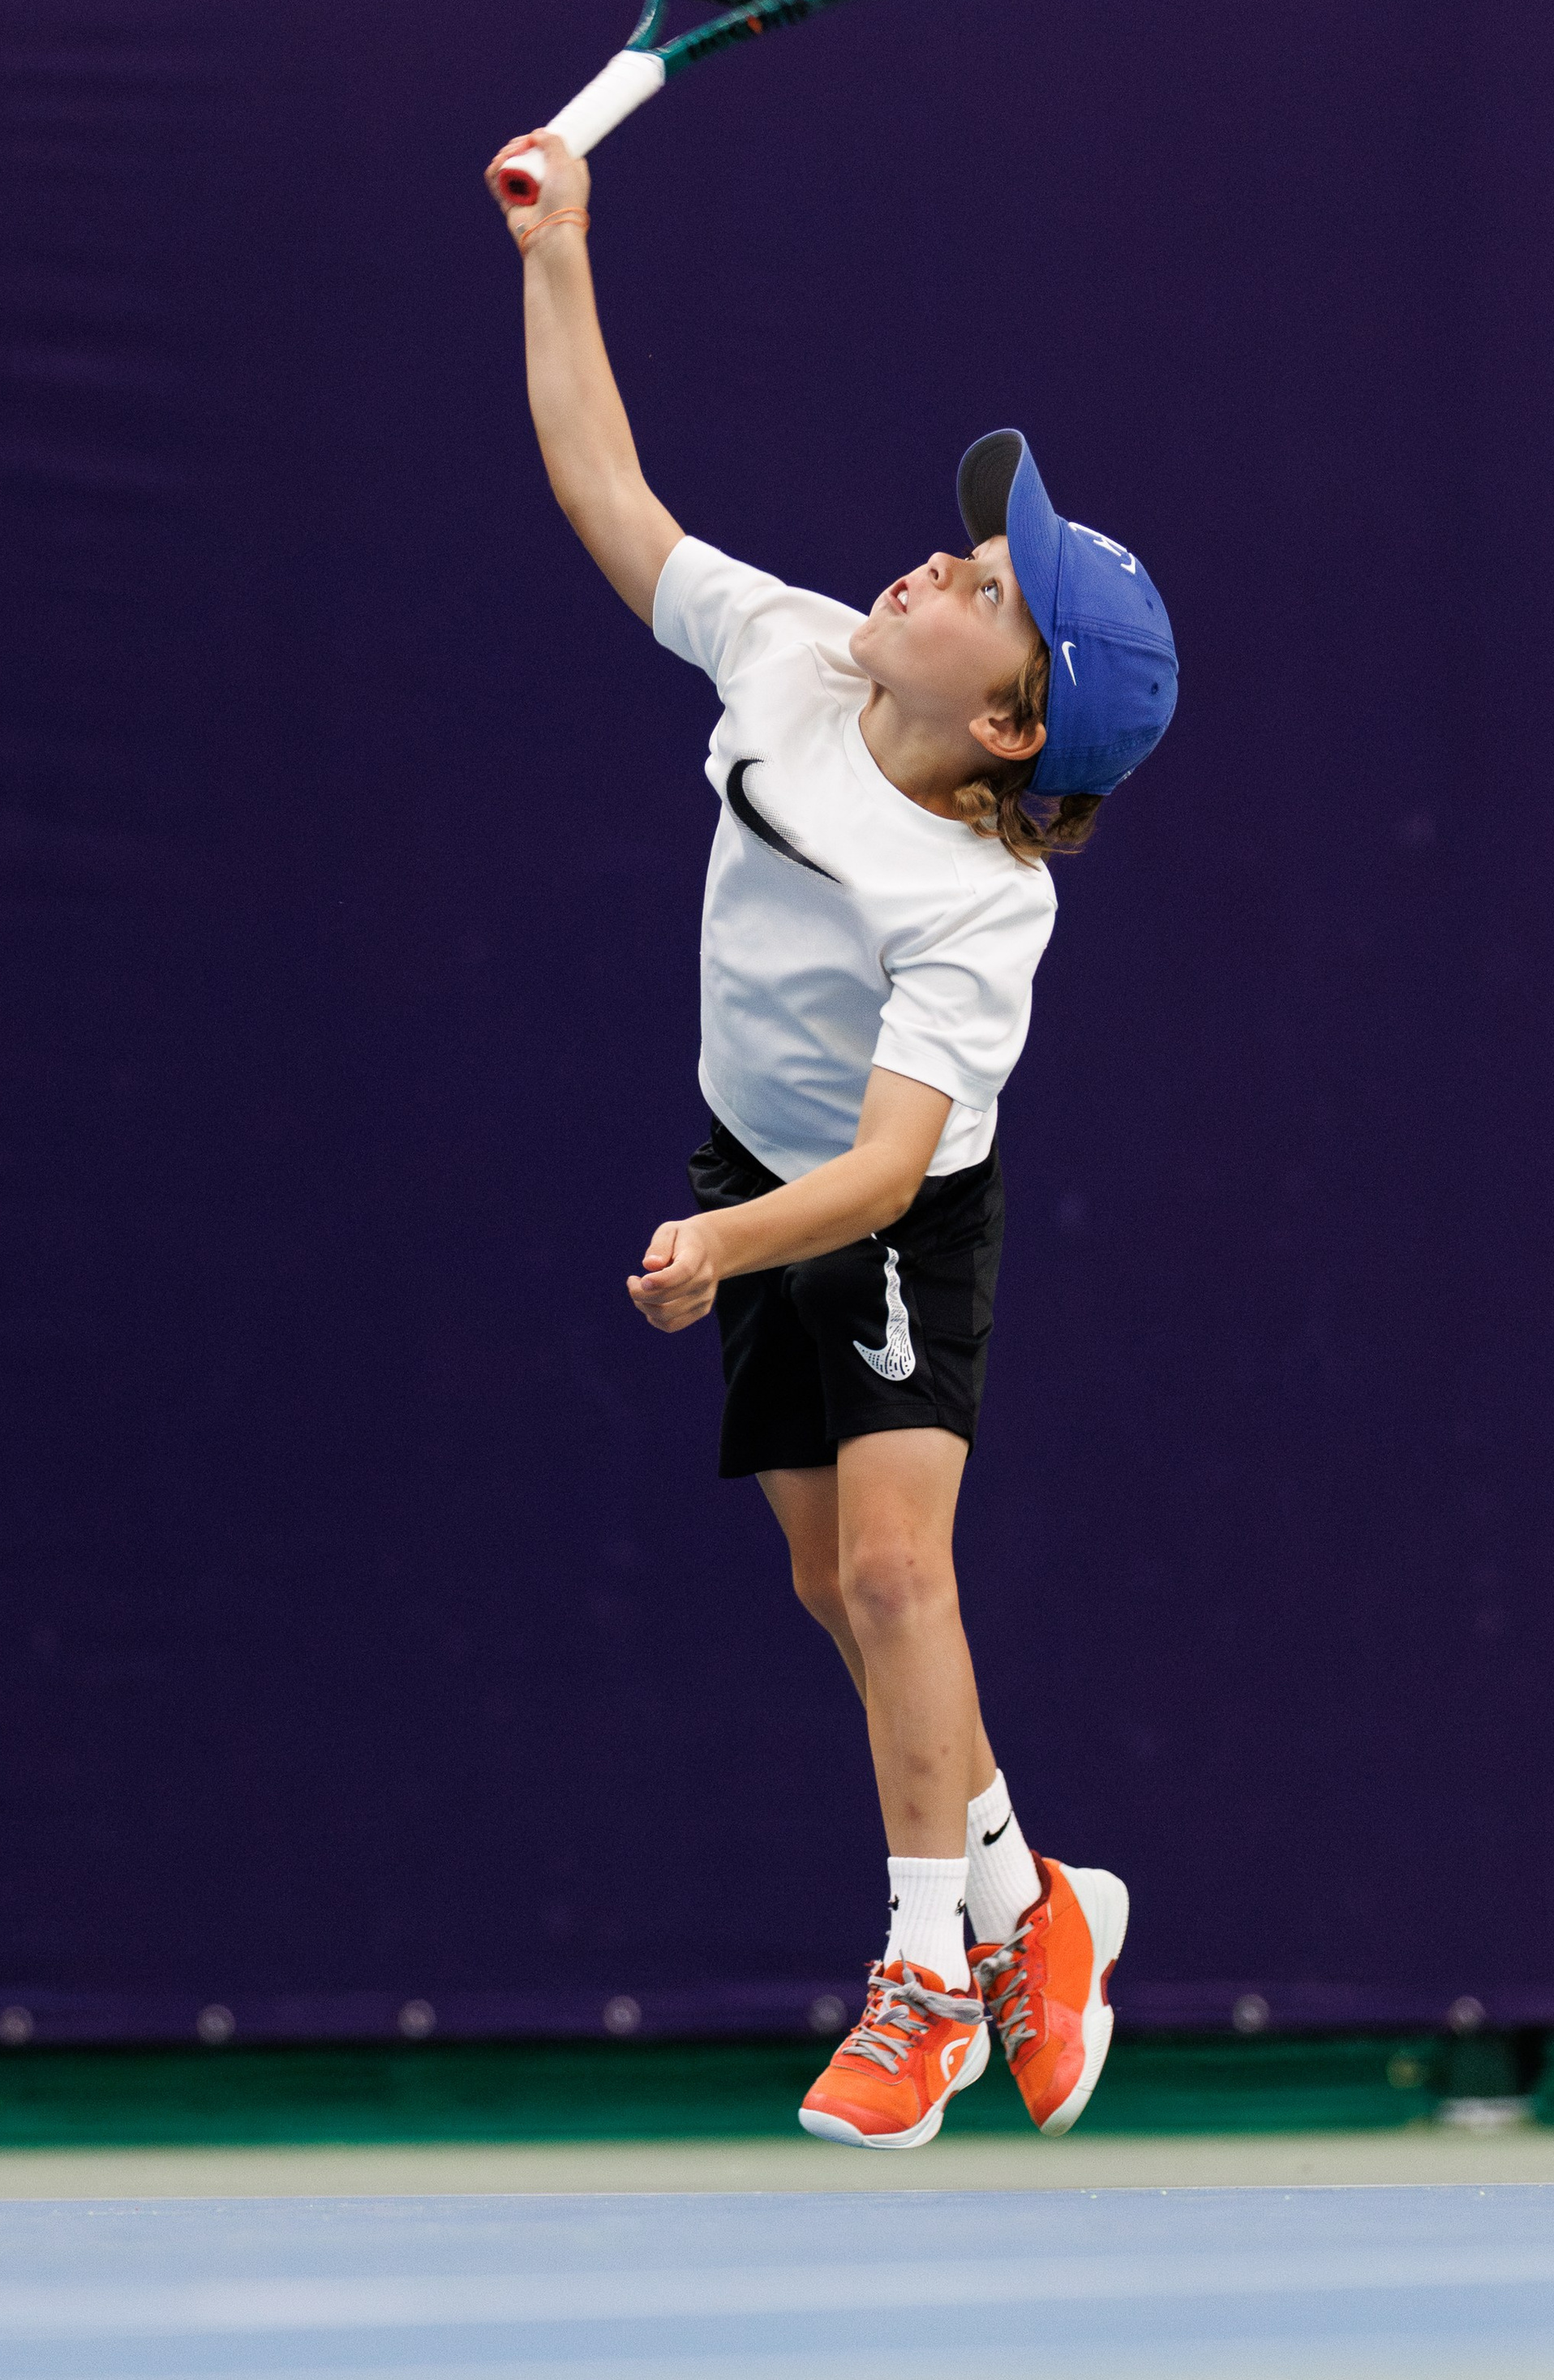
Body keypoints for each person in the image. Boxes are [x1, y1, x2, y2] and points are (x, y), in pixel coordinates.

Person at [486, 124, 1178, 2150]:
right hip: (746, 1166)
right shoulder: (789, 649)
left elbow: (880, 1170)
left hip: (879, 1215)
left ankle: (921, 1979)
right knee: (824, 1581)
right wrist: (556, 249)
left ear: (1010, 728)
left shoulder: (982, 905)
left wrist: (727, 1242)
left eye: (983, 591)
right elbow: (606, 492)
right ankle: (1033, 1896)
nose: (937, 564)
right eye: (963, 549)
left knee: (890, 1572)